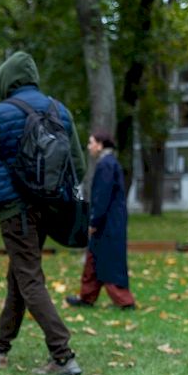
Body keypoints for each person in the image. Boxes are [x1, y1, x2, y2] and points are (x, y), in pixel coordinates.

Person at [0, 50, 86, 375]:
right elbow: (78, 167)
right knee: (20, 276)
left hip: (15, 211)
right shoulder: (60, 111)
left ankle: (63, 355)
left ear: (5, 81)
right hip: (49, 207)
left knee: (28, 278)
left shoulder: (0, 113)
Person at [66, 132, 136, 310]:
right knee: (94, 258)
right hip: (110, 221)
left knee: (108, 261)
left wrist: (94, 222)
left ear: (100, 144)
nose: (89, 147)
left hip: (107, 223)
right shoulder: (110, 163)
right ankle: (87, 297)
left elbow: (102, 197)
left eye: (91, 143)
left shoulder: (106, 165)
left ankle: (124, 301)